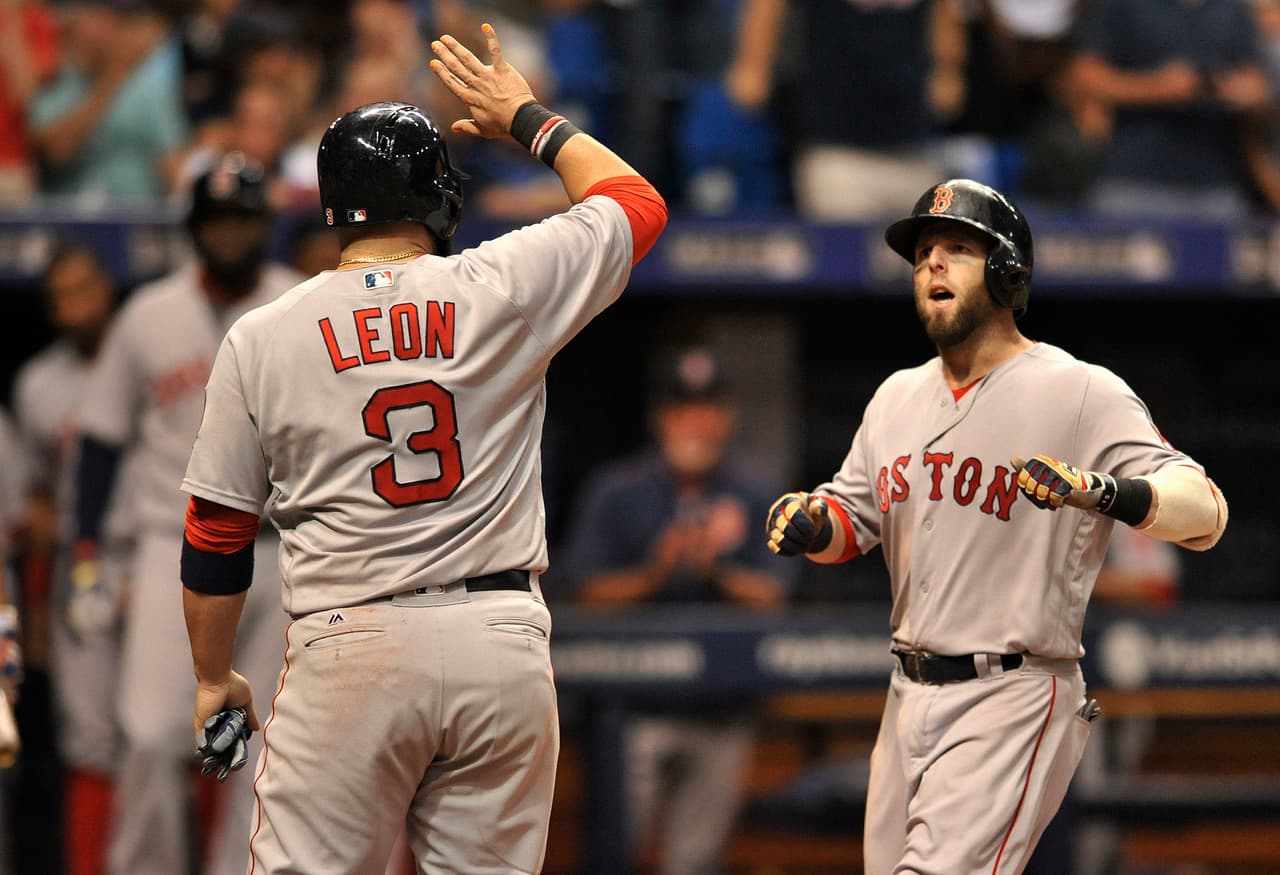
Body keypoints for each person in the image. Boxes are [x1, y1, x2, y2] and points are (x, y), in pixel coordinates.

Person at [177, 21, 666, 875]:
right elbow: (636, 203)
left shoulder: (264, 333)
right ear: (438, 197)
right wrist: (528, 118)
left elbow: (217, 532)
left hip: (351, 639)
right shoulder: (500, 283)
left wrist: (214, 676)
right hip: (498, 638)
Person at [764, 178, 1229, 875]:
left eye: (957, 247)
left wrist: (1100, 491)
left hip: (1011, 690)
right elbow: (849, 522)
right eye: (923, 251)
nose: (932, 262)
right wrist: (808, 521)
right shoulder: (895, 396)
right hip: (905, 691)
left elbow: (1206, 509)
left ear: (1009, 272)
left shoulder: (1078, 389)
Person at [70, 154, 298, 875]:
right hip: (171, 545)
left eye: (242, 220)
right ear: (194, 229)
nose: (230, 234)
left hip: (279, 548)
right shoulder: (148, 313)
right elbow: (101, 441)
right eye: (217, 220)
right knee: (149, 733)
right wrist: (86, 551)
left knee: (267, 747)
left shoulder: (301, 303)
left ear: (264, 226)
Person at [563, 344, 794, 875]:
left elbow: (774, 596)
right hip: (631, 711)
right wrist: (654, 573)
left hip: (722, 710)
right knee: (614, 853)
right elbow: (582, 593)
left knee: (696, 863)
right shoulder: (617, 489)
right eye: (684, 409)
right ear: (662, 417)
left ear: (727, 417)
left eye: (708, 409)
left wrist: (715, 572)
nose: (696, 423)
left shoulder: (755, 491)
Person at [11, 241, 125, 875]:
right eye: (61, 297)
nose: (75, 306)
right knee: (89, 737)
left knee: (171, 732)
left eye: (84, 288)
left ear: (108, 287)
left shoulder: (143, 354)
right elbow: (35, 502)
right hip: (79, 569)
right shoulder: (39, 384)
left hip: (154, 551)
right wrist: (35, 612)